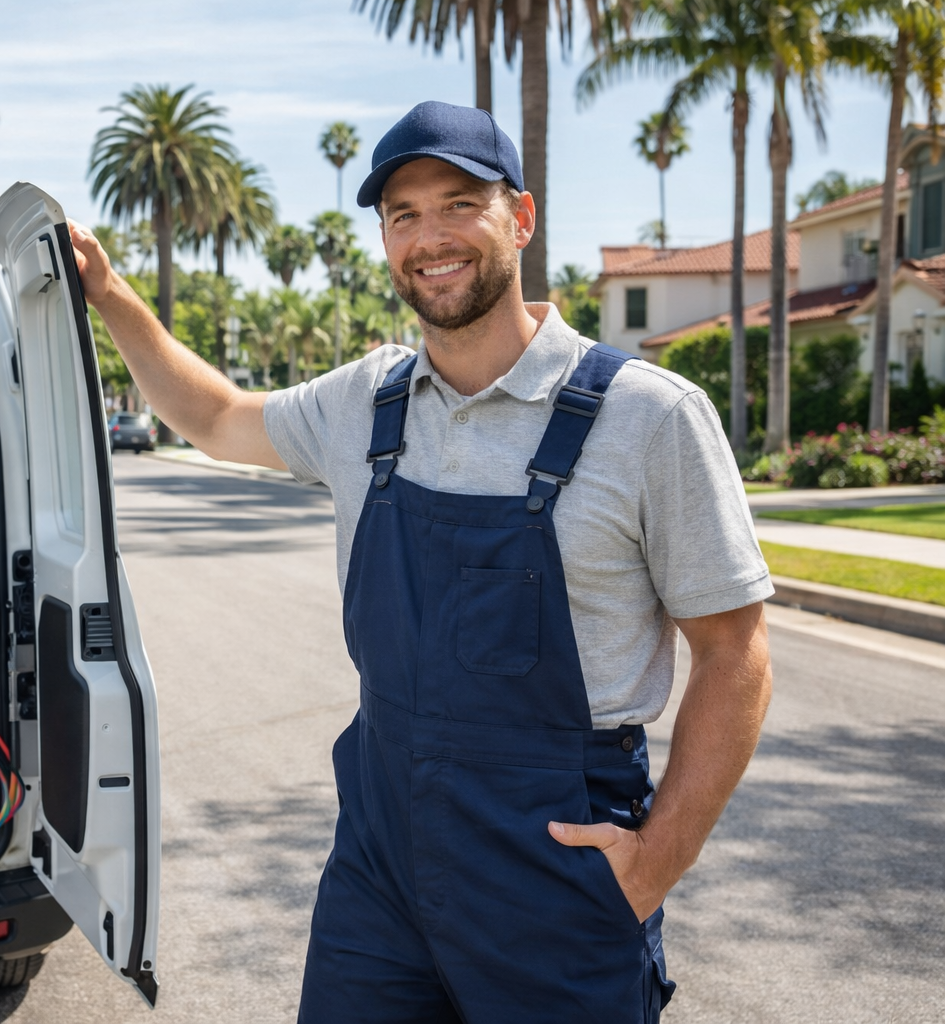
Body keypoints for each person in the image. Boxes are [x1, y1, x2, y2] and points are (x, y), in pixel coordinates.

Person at [68, 100, 773, 1023]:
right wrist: (112, 297)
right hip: (379, 872)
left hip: (553, 874)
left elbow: (737, 656)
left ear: (519, 218)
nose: (428, 238)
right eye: (403, 215)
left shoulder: (650, 418)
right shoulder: (366, 402)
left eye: (458, 205)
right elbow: (214, 418)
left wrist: (654, 864)